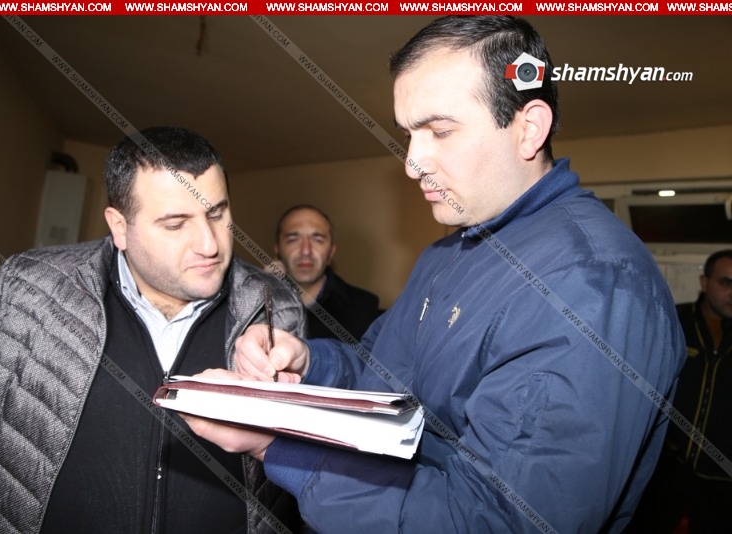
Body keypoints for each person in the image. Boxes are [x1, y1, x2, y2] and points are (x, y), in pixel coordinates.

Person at [183, 16, 686, 533]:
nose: (412, 163)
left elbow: (497, 521)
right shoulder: (445, 254)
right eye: (408, 134)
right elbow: (381, 378)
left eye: (440, 131)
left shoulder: (593, 285)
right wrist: (310, 363)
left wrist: (279, 447)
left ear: (529, 128)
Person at [0, 126, 304, 533]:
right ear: (120, 226)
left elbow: (305, 473)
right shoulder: (24, 291)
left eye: (216, 214)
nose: (210, 244)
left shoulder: (276, 308)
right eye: (175, 224)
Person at [628, 250, 732, 533]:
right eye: (726, 283)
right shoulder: (672, 320)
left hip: (720, 480)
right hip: (661, 470)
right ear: (704, 282)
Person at [273, 204, 380, 340]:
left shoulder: (364, 307)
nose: (306, 251)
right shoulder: (257, 302)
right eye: (292, 240)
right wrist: (262, 288)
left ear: (331, 253)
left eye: (318, 240)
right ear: (278, 250)